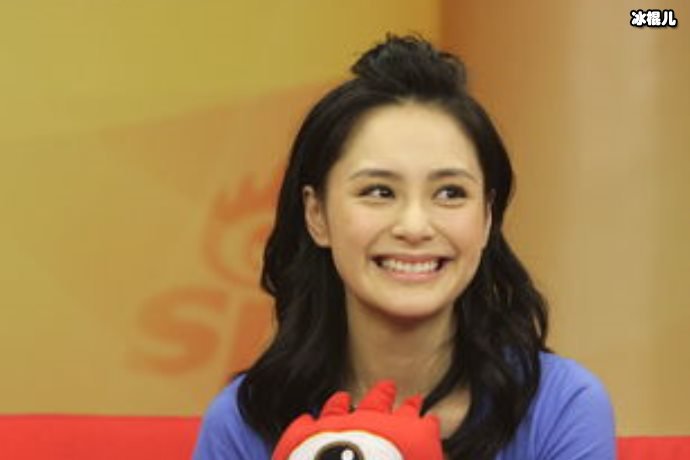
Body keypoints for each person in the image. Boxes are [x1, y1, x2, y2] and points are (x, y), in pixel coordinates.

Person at [193, 35, 615, 460]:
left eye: (450, 193)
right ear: (317, 215)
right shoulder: (245, 420)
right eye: (378, 191)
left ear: (487, 218)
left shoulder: (562, 407)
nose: (414, 227)